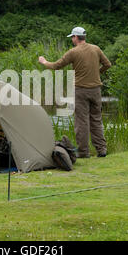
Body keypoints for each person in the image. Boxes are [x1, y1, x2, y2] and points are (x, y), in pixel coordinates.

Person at [38, 27, 112, 158]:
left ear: (76, 37)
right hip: (96, 90)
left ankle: (83, 152)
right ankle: (102, 150)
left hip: (80, 90)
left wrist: (44, 62)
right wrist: (97, 74)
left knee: (81, 121)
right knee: (96, 120)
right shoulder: (96, 49)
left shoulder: (73, 52)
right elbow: (107, 64)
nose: (72, 39)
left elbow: (56, 66)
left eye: (72, 37)